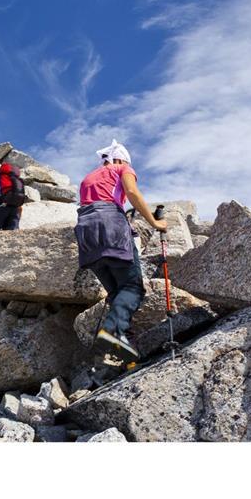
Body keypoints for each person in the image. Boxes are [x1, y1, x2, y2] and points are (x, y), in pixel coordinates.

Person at [74, 139, 167, 361]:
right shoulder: (122, 168)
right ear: (120, 160)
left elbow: (94, 203)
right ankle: (112, 331)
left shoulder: (88, 178)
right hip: (110, 224)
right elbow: (132, 192)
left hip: (85, 232)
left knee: (117, 292)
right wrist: (155, 223)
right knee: (132, 287)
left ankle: (123, 341)